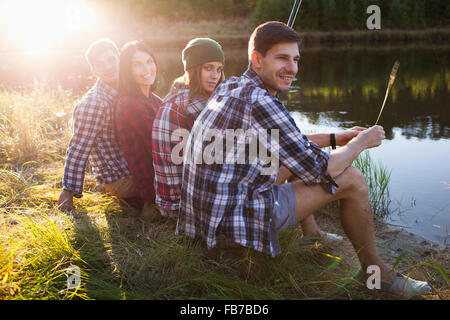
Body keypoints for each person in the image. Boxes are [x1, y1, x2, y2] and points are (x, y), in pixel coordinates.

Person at [177, 21, 431, 295]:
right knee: (353, 179)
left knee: (292, 159)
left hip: (206, 218)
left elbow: (292, 145)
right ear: (257, 59)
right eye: (282, 58)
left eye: (296, 60)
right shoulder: (261, 101)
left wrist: (337, 137)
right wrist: (361, 142)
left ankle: (313, 236)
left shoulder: (232, 87)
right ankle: (377, 273)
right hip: (235, 221)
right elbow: (323, 169)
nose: (292, 69)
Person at [58, 38, 136, 212]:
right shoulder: (94, 103)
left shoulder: (127, 89)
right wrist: (68, 190)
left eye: (111, 60)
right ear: (94, 71)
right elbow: (79, 147)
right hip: (120, 177)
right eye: (100, 64)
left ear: (119, 60)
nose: (108, 67)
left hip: (132, 165)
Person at [152, 38, 225, 218]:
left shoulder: (177, 92)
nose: (215, 75)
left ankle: (308, 238)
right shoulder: (193, 104)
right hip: (182, 207)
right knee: (270, 156)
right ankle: (306, 238)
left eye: (219, 69)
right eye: (208, 68)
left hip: (169, 201)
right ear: (192, 69)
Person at [114, 40, 163, 215]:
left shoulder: (155, 100)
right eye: (138, 65)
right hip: (152, 189)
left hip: (165, 177)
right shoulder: (128, 103)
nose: (147, 69)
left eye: (149, 62)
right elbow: (161, 143)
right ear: (128, 71)